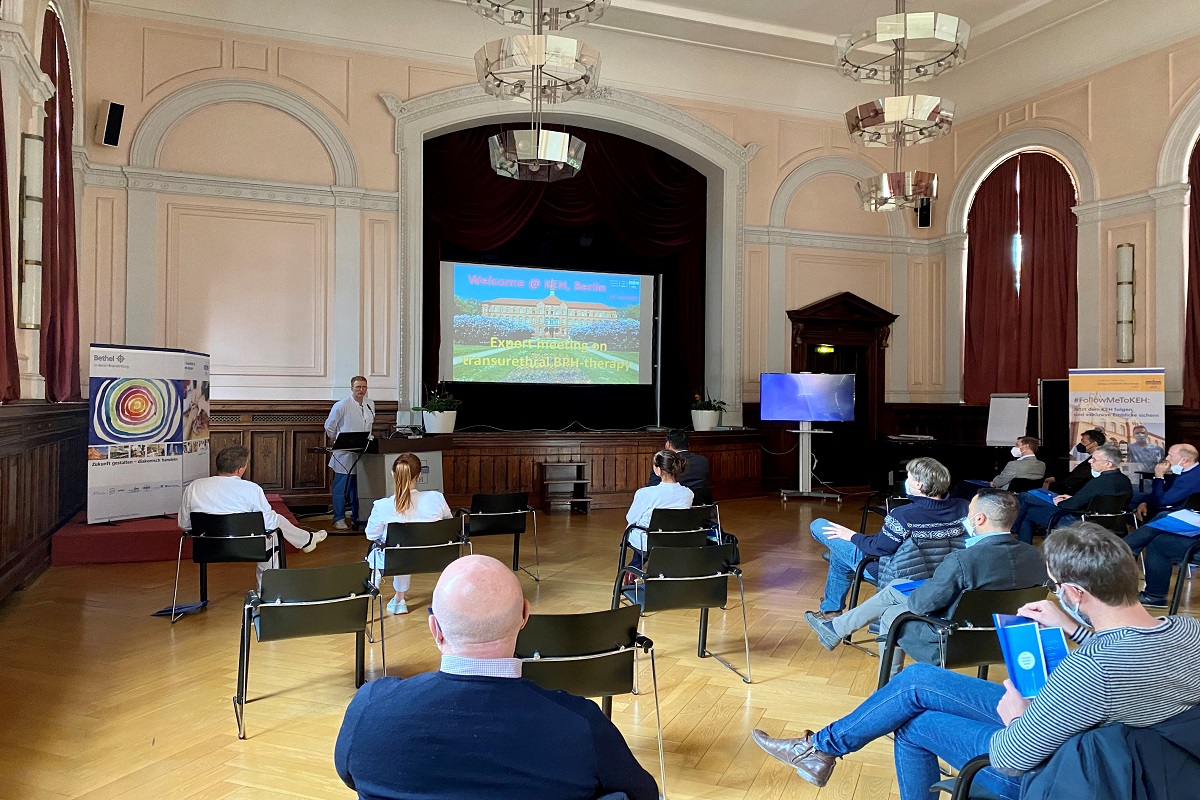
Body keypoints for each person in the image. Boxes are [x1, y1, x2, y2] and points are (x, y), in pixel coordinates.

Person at [751, 522, 1200, 800]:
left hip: (1072, 776)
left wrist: (1017, 714)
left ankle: (817, 751)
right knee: (919, 681)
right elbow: (1131, 654)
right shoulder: (1189, 632)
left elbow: (1010, 757)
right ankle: (818, 749)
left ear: (1076, 592)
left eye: (1057, 586)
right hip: (1146, 764)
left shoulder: (1093, 670)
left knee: (913, 724)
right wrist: (1074, 627)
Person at [333, 555, 659, 800]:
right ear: (524, 617)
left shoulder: (370, 709)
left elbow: (349, 774)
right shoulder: (581, 724)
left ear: (435, 628)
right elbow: (642, 793)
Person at [805, 489, 1045, 679]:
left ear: (979, 519)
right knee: (898, 585)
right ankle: (835, 629)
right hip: (1003, 637)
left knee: (892, 612)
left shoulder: (962, 560)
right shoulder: (1037, 557)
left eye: (969, 512)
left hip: (950, 637)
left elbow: (921, 605)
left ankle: (885, 686)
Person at [810, 457, 967, 619]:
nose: (907, 480)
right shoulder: (964, 507)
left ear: (919, 485)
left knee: (818, 525)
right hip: (945, 576)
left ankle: (831, 612)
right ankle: (830, 610)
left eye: (910, 477)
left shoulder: (904, 515)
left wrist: (851, 536)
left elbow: (878, 549)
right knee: (839, 555)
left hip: (896, 574)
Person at [179, 446, 326, 582]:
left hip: (207, 547)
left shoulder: (194, 486)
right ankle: (268, 592)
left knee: (274, 522)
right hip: (246, 547)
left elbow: (184, 524)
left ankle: (307, 540)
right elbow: (270, 524)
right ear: (240, 469)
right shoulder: (251, 489)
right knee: (274, 532)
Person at [365, 453, 452, 615]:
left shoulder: (382, 506)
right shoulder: (436, 498)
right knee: (404, 547)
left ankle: (388, 597)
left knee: (390, 549)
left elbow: (371, 535)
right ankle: (400, 598)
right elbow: (448, 525)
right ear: (419, 476)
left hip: (397, 559)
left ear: (393, 474)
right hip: (433, 557)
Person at [1013, 444, 1131, 544]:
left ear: (1108, 464)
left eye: (1094, 459)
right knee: (1029, 502)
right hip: (1111, 523)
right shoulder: (1125, 480)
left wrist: (1061, 501)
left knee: (1027, 502)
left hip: (1082, 522)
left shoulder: (1098, 482)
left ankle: (1013, 533)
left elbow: (1069, 506)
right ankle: (1013, 532)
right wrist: (1073, 498)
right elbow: (1104, 502)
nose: (1090, 461)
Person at [324, 376, 375, 530]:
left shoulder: (370, 404)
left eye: (364, 387)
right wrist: (335, 439)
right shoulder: (342, 405)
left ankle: (357, 517)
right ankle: (339, 518)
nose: (361, 390)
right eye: (358, 387)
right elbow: (329, 426)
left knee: (358, 488)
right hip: (344, 453)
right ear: (351, 388)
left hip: (363, 451)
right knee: (341, 487)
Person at [626, 449, 694, 552]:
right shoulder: (688, 493)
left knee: (632, 529)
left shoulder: (644, 493)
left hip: (649, 542)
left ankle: (636, 564)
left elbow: (631, 519)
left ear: (658, 470)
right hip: (678, 540)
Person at [1129, 443, 1200, 523]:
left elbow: (1160, 501)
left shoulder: (1192, 478)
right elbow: (1162, 490)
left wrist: (1159, 476)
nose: (1167, 458)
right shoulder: (1182, 472)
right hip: (1165, 504)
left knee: (1128, 498)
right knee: (1133, 495)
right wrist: (1144, 502)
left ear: (1184, 460)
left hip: (1173, 512)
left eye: (1170, 455)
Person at [1042, 429, 1105, 494]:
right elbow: (1075, 474)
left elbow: (1075, 479)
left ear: (1094, 444)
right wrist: (1055, 478)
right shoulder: (1093, 457)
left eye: (1083, 441)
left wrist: (1050, 486)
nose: (1081, 444)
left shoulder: (1097, 461)